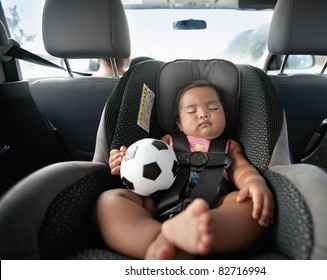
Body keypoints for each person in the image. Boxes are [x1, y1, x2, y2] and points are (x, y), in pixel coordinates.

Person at [94, 80, 275, 260]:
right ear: (180, 123)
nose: (203, 114)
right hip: (157, 203)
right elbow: (142, 157)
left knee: (251, 206)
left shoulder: (229, 146)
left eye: (213, 108)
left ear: (226, 117)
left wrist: (254, 182)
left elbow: (241, 169)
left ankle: (203, 231)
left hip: (214, 204)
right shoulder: (167, 141)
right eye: (191, 111)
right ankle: (156, 240)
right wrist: (124, 162)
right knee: (109, 200)